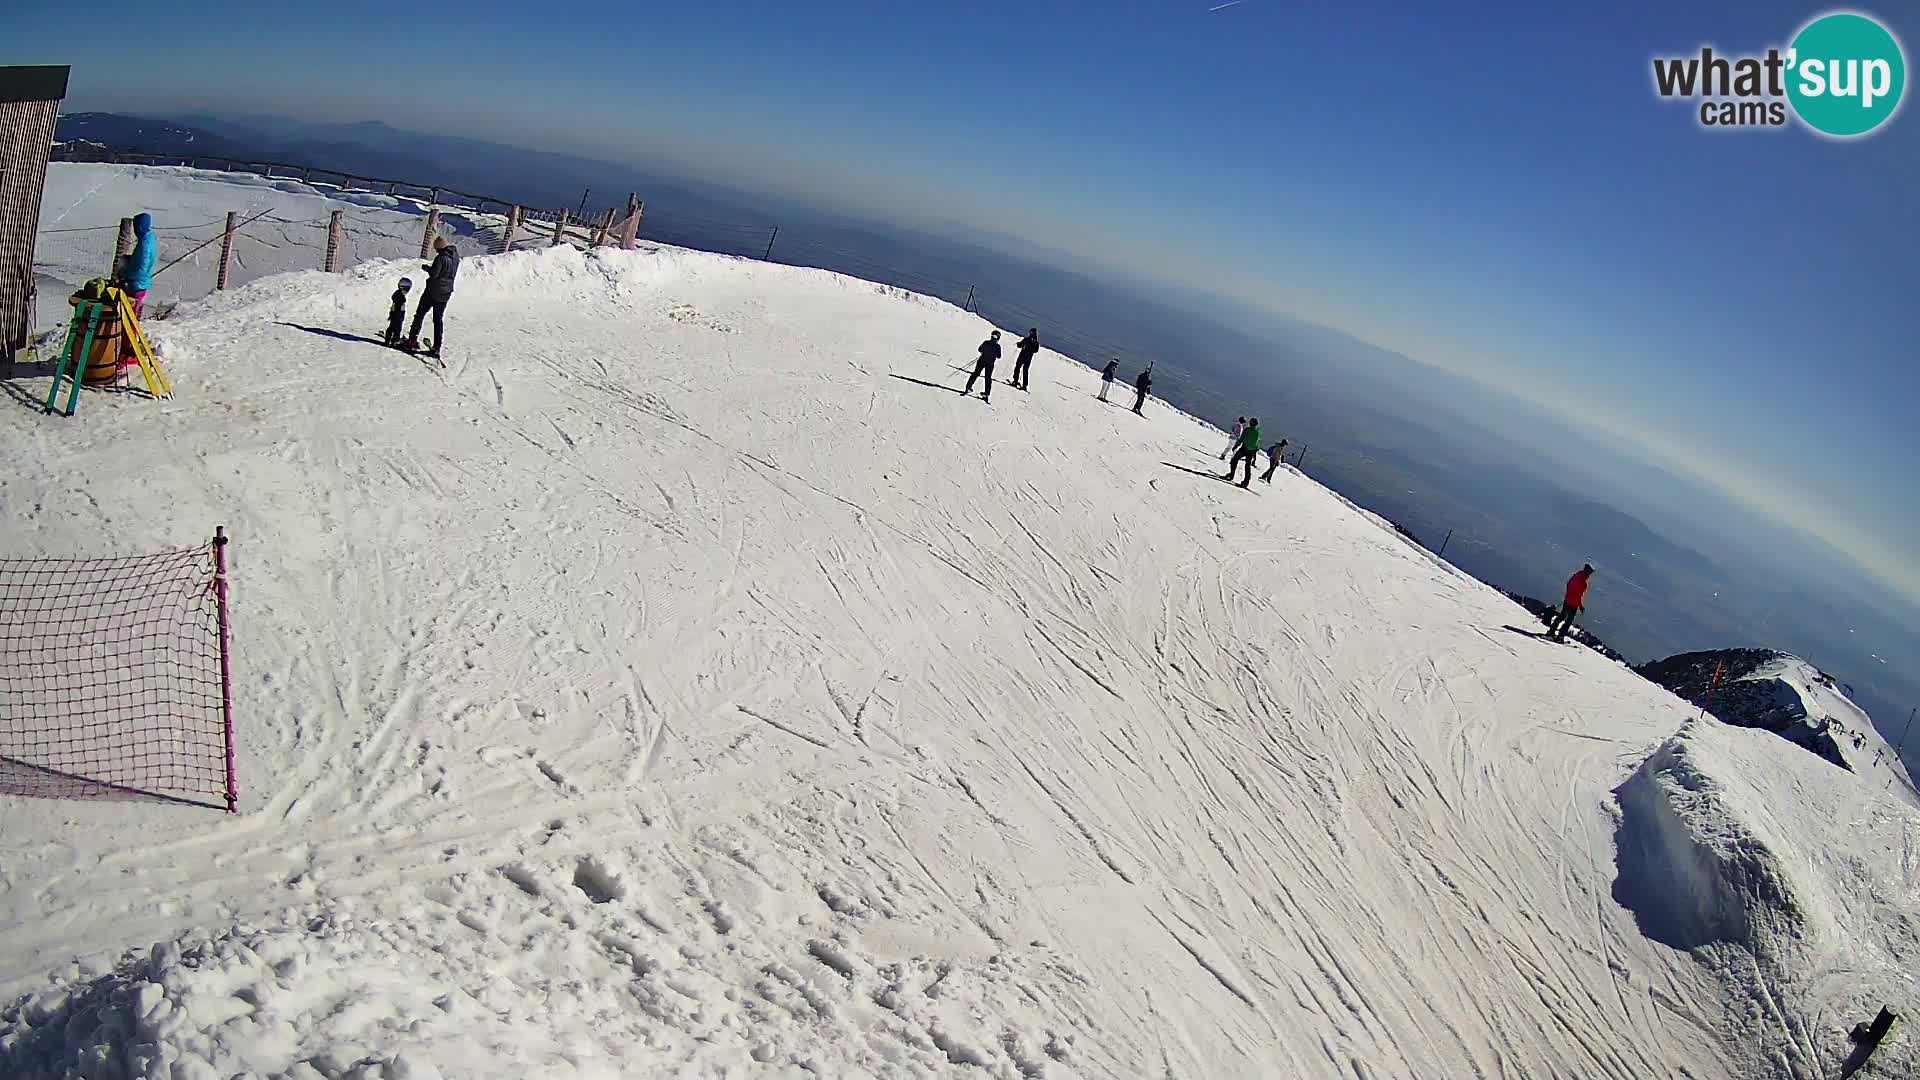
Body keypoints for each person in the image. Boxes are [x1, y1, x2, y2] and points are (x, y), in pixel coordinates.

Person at [406, 235, 460, 358]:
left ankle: (412, 340)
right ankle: (437, 346)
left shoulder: (441, 258)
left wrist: (427, 268)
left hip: (433, 291)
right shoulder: (456, 258)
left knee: (420, 314)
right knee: (438, 319)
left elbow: (435, 274)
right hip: (446, 293)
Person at [118, 212, 158, 317]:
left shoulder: (145, 243)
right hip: (141, 282)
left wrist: (129, 276)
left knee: (130, 314)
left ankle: (130, 332)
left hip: (137, 283)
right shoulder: (148, 238)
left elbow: (142, 264)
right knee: (134, 310)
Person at [1546, 563, 1594, 642]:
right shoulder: (1583, 582)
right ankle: (1560, 636)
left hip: (1567, 600)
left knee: (1561, 617)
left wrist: (1568, 595)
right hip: (1573, 604)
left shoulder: (1576, 576)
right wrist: (1581, 606)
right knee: (1568, 621)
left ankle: (1551, 632)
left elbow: (1569, 584)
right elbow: (1579, 595)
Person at [1224, 417, 1262, 487]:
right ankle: (1246, 482)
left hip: (1244, 449)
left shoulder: (1246, 430)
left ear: (1250, 423)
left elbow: (1241, 439)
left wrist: (1235, 446)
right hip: (1251, 451)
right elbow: (1257, 443)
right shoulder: (1257, 432)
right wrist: (1254, 452)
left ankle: (1231, 475)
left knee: (1234, 460)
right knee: (1247, 466)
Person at [964, 330, 1001, 401]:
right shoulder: (997, 346)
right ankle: (986, 394)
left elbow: (980, 349)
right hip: (990, 364)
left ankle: (968, 387)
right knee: (987, 378)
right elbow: (999, 356)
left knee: (976, 373)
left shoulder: (986, 342)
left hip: (982, 361)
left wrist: (985, 351)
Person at [384, 278, 414, 347]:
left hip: (397, 314)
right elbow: (397, 307)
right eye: (407, 289)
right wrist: (396, 316)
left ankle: (389, 339)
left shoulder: (398, 295)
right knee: (397, 328)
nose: (407, 291)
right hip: (398, 315)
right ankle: (395, 340)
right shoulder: (399, 297)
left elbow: (393, 307)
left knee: (392, 326)